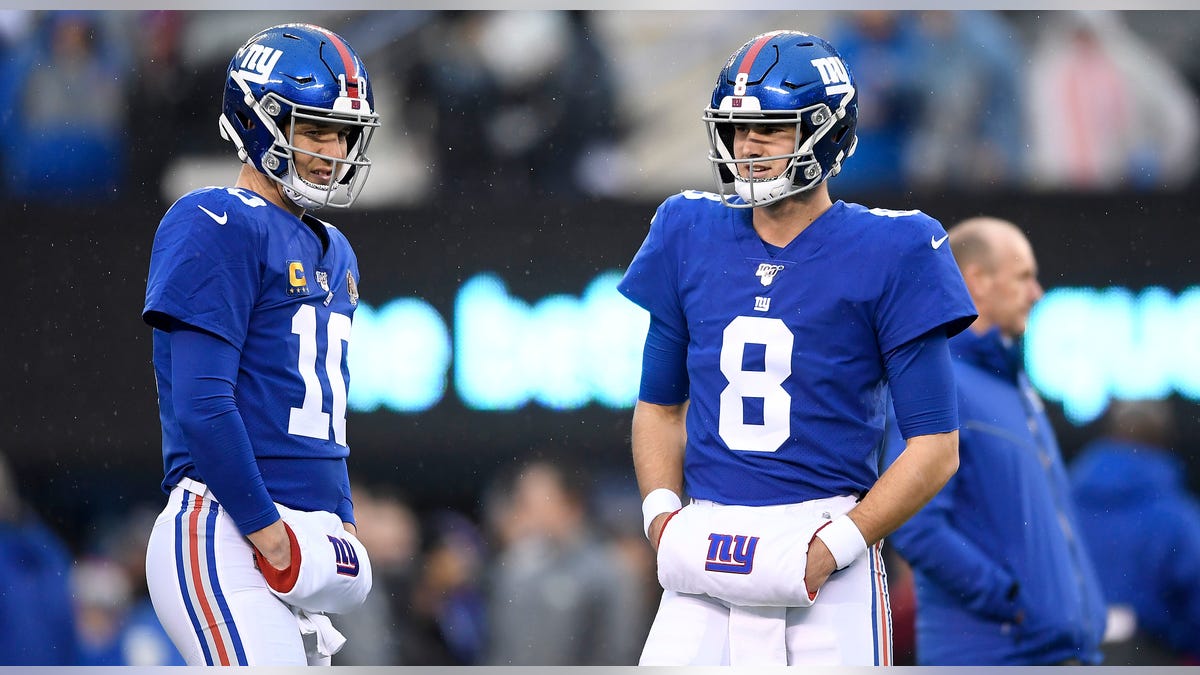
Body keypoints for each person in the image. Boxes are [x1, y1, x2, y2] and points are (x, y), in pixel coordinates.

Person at [618, 30, 978, 666]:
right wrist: (661, 516)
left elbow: (935, 448)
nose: (747, 147)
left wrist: (838, 543)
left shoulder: (895, 248)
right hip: (704, 539)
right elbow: (660, 406)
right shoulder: (686, 228)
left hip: (821, 539)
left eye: (772, 129)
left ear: (827, 132)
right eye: (735, 129)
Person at [141, 23, 381, 666]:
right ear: (259, 121)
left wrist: (339, 517)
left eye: (343, 134)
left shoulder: (338, 249)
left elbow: (322, 415)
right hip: (224, 526)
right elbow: (203, 404)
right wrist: (269, 534)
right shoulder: (215, 220)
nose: (334, 150)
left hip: (299, 543)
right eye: (315, 129)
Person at [880, 216, 1107, 665]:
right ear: (976, 282)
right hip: (995, 656)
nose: (1037, 292)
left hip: (1052, 654)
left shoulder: (1014, 387)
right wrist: (1012, 602)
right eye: (1023, 276)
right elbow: (915, 525)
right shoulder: (936, 381)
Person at [1070, 398, 1200, 665]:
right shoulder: (1177, 516)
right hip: (1150, 655)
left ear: (1110, 433)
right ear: (1163, 439)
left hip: (1069, 651)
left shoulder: (1063, 502)